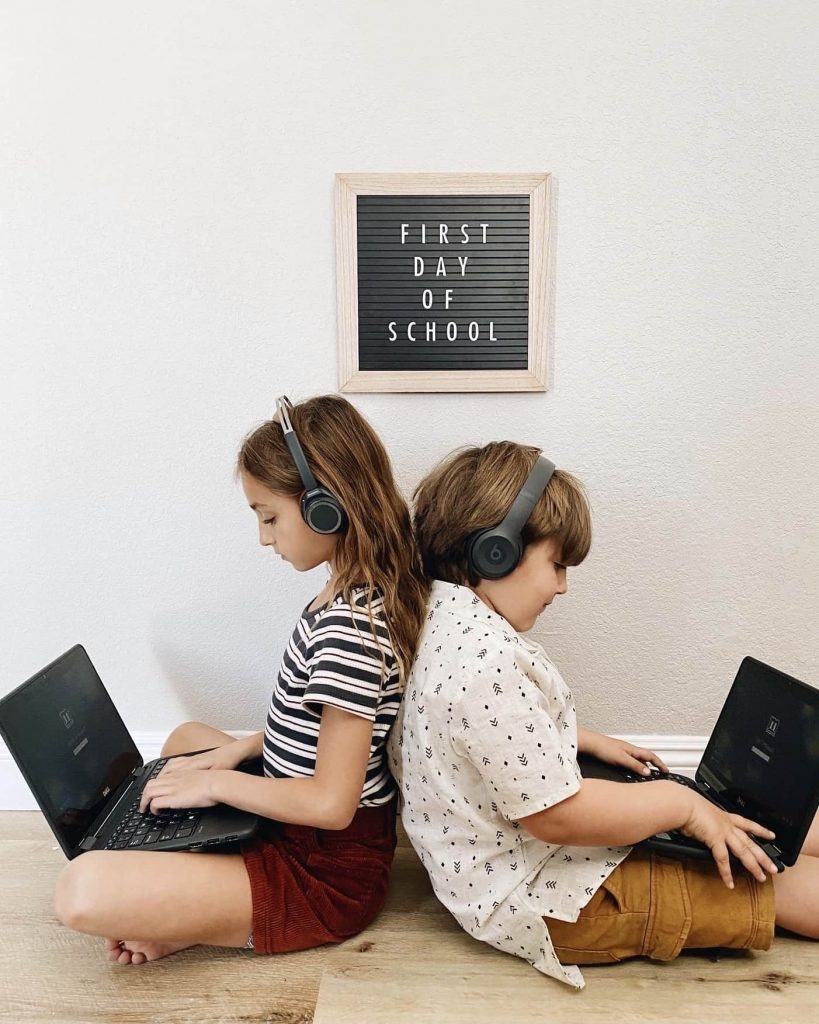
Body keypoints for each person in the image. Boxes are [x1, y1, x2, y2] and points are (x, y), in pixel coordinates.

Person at [388, 441, 819, 990]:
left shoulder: (441, 618)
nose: (563, 586)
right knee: (776, 881)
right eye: (558, 565)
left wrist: (575, 739)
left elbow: (473, 740)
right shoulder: (485, 662)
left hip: (515, 866)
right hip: (551, 899)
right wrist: (679, 805)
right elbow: (556, 817)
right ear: (493, 552)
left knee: (768, 825)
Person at [54, 394, 428, 965]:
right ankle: (194, 892)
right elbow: (319, 727)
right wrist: (238, 754)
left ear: (327, 507)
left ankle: (197, 909)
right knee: (186, 742)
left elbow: (332, 804)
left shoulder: (351, 634)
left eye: (269, 516)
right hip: (296, 821)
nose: (263, 537)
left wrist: (218, 786)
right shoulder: (350, 597)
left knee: (81, 890)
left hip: (324, 870)